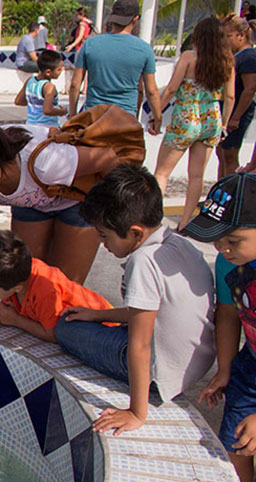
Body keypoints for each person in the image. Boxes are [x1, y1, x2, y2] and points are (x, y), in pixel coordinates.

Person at [55, 165, 216, 436]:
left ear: (136, 233)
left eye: (105, 236)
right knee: (89, 318)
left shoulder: (143, 261)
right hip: (193, 364)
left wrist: (136, 412)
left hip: (160, 375)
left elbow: (140, 345)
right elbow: (149, 311)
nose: (103, 244)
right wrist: (96, 315)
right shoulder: (179, 242)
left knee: (65, 327)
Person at [181, 172, 256, 482]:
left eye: (234, 240)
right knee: (236, 440)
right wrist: (226, 369)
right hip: (254, 363)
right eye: (218, 240)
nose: (223, 248)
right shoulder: (230, 262)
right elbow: (230, 314)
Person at [0, 121, 121, 286]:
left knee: (62, 286)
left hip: (76, 203)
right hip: (31, 203)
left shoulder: (46, 164)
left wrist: (108, 210)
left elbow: (109, 158)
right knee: (24, 280)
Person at [153, 17, 235, 230]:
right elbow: (230, 97)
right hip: (211, 119)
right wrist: (224, 124)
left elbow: (171, 89)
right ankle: (185, 222)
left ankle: (155, 220)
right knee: (196, 175)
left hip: (186, 117)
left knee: (162, 172)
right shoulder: (227, 61)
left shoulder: (190, 57)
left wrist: (157, 113)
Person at [0, 231, 111, 343]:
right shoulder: (18, 272)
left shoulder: (46, 291)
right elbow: (7, 306)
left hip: (108, 327)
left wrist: (16, 320)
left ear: (17, 288)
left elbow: (54, 334)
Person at [68, 0, 161, 129]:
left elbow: (75, 85)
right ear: (136, 19)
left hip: (93, 118)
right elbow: (151, 91)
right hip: (124, 119)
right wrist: (157, 118)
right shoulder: (144, 49)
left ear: (112, 17)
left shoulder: (90, 44)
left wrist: (72, 115)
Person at [217, 14, 256, 178]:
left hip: (237, 112)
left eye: (228, 36)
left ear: (241, 36)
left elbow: (249, 90)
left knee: (230, 155)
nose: (225, 40)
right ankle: (220, 189)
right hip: (227, 110)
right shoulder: (236, 56)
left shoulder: (250, 58)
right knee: (221, 153)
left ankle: (231, 192)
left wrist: (236, 117)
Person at [15, 50, 67, 127]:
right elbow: (47, 110)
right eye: (59, 69)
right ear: (48, 72)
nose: (61, 71)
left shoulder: (30, 81)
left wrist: (35, 103)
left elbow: (18, 101)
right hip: (47, 127)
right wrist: (62, 112)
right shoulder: (49, 87)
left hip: (30, 125)